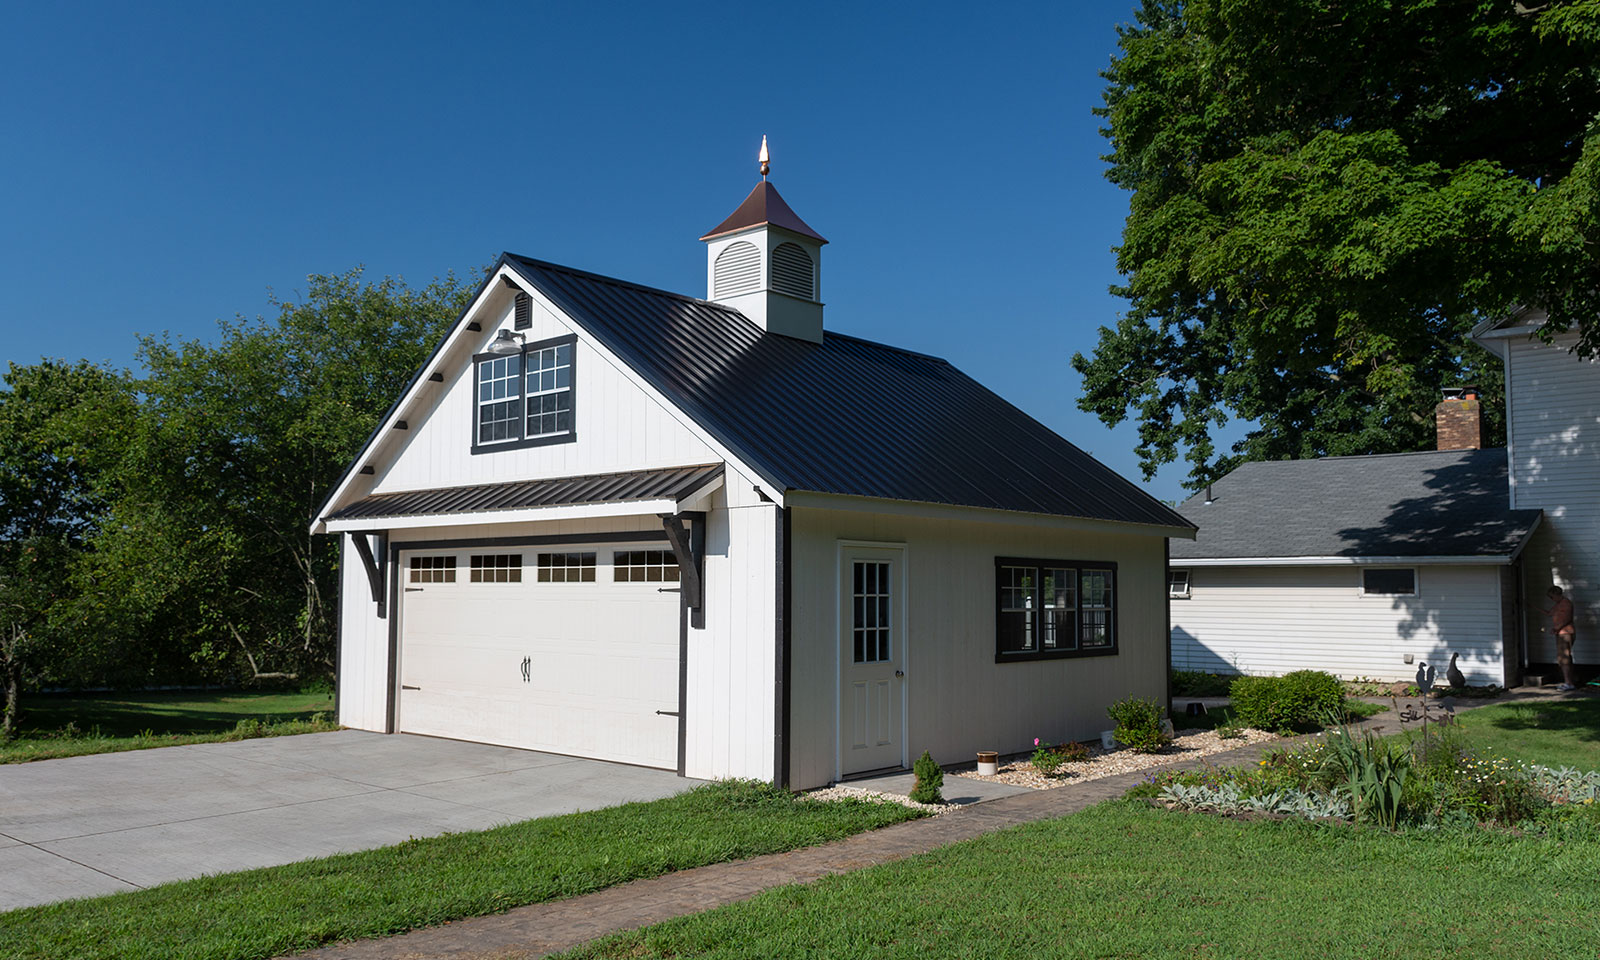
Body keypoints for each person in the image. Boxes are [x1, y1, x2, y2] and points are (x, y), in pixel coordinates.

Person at [1541, 585, 1578, 691]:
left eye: (1552, 597)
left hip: (1566, 633)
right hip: (1560, 633)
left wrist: (1556, 628)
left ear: (1557, 594)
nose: (1552, 599)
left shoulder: (1566, 603)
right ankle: (1569, 681)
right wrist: (1532, 606)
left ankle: (1569, 683)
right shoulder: (1558, 604)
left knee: (1564, 657)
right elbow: (1549, 613)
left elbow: (1567, 619)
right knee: (1562, 657)